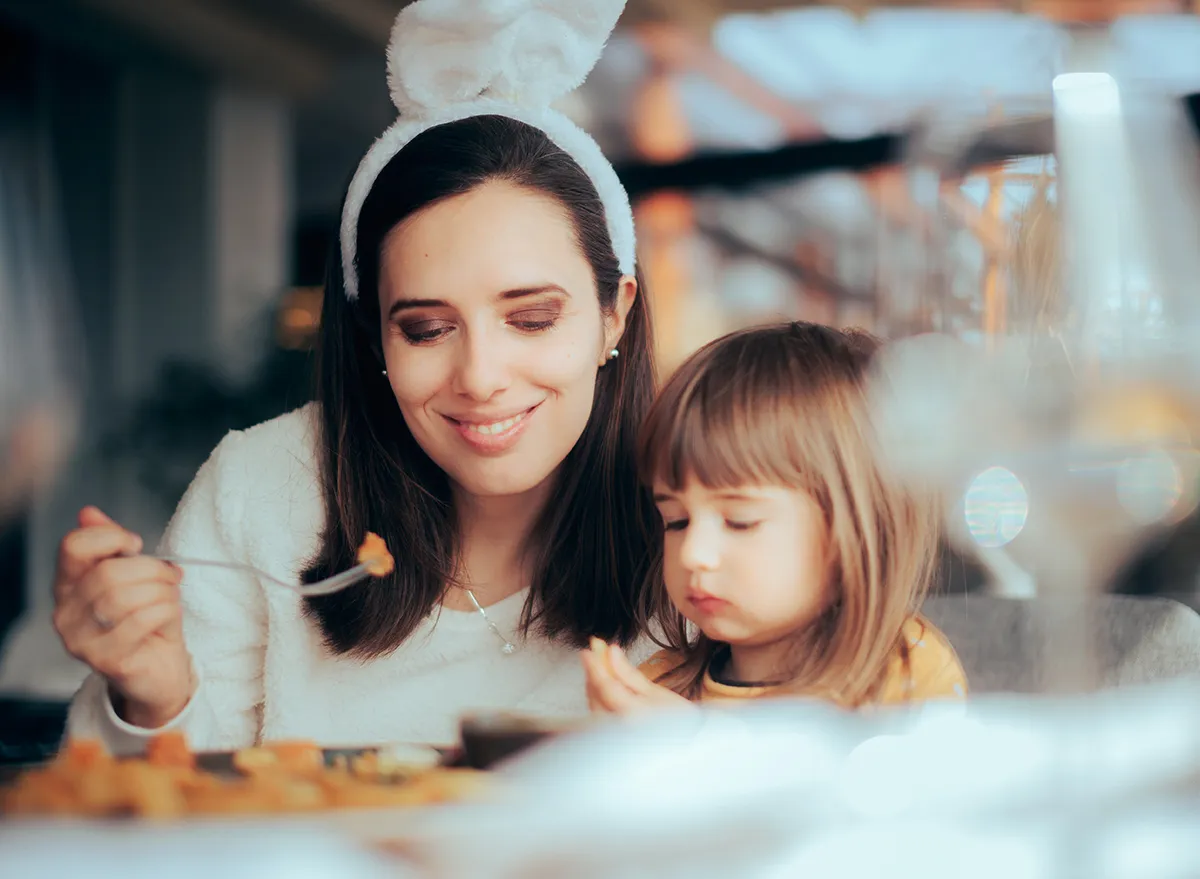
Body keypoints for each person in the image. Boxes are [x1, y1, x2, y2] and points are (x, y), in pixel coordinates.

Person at [52, 0, 662, 753]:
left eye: (531, 318)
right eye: (427, 329)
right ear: (373, 333)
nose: (480, 376)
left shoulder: (704, 505)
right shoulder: (267, 488)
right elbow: (147, 823)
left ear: (615, 313)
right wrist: (150, 696)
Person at [583, 322, 967, 713]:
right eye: (676, 521)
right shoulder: (657, 689)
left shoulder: (906, 673)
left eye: (740, 521)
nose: (693, 554)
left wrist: (696, 749)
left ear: (858, 526)